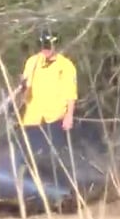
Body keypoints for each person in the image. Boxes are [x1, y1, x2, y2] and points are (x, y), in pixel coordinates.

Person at [15, 29, 77, 172]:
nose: (45, 50)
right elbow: (26, 89)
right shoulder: (32, 62)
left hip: (54, 118)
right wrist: (22, 88)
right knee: (26, 155)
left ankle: (51, 178)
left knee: (51, 156)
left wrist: (69, 116)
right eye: (42, 46)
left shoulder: (66, 66)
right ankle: (24, 178)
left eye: (48, 46)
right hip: (32, 118)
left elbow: (71, 93)